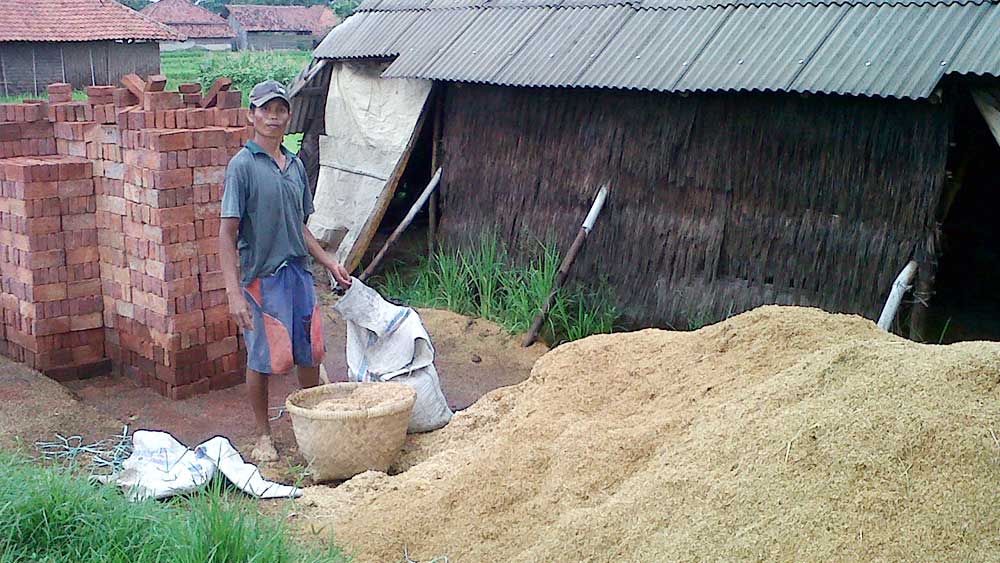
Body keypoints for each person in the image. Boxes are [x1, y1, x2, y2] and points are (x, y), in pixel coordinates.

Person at [219, 80, 351, 463]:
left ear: (288, 116)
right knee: (263, 358)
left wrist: (328, 262)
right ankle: (263, 435)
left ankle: (311, 427)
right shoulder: (242, 167)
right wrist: (233, 294)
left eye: (280, 110)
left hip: (299, 275)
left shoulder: (294, 165)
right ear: (252, 116)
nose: (273, 117)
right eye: (265, 110)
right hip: (262, 278)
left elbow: (301, 226)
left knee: (310, 353)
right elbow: (226, 235)